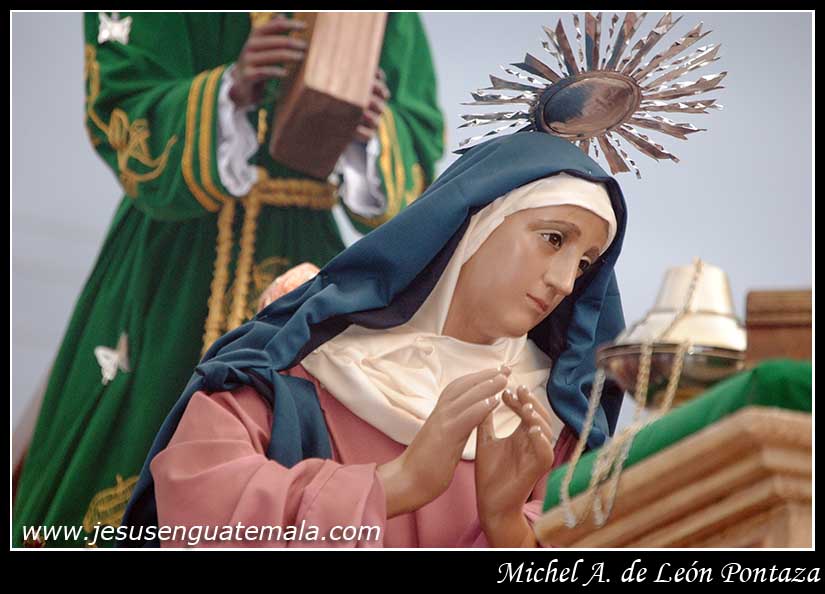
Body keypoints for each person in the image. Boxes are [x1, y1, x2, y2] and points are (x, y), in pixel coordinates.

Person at [13, 11, 443, 547]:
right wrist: (227, 91)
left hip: (305, 266)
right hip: (170, 264)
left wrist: (370, 130)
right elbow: (120, 97)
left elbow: (419, 135)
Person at [121, 131, 628, 548]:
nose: (565, 281)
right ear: (477, 221)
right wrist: (395, 484)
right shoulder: (296, 365)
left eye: (585, 263)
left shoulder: (551, 424)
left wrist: (508, 528)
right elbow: (196, 504)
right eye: (553, 239)